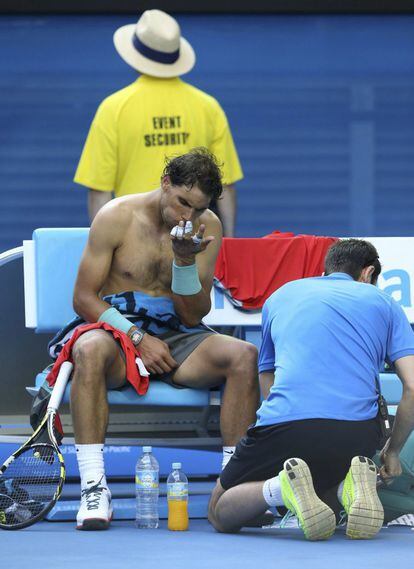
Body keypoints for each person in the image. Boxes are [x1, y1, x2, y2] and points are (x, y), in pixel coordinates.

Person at [51, 148, 259, 530]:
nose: (188, 216)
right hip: (118, 333)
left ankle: (232, 487)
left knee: (244, 355)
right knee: (88, 349)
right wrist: (136, 335)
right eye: (182, 203)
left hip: (178, 335)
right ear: (165, 183)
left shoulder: (207, 228)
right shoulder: (116, 216)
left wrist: (183, 261)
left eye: (198, 209)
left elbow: (193, 315)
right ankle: (94, 489)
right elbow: (83, 298)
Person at [208, 239, 414, 541]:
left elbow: (266, 373)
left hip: (285, 423)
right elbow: (411, 384)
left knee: (219, 511)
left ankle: (281, 487)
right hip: (357, 431)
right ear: (368, 273)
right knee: (320, 492)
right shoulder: (383, 302)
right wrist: (392, 451)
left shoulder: (280, 296)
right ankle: (346, 488)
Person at [74, 9, 242, 237]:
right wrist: (227, 242)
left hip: (134, 233)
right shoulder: (207, 106)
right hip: (192, 232)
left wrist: (106, 241)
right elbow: (226, 187)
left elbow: (99, 192)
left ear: (135, 56)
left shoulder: (114, 108)